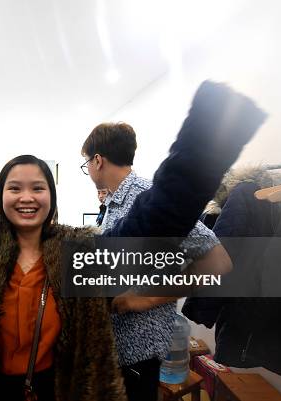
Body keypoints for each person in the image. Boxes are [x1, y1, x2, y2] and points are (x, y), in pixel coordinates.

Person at [0, 62, 266, 401]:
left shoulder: (78, 256)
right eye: (14, 186)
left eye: (38, 187)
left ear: (51, 198)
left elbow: (158, 220)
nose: (26, 196)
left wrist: (213, 130)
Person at [81, 121, 232, 401]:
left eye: (86, 163)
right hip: (117, 351)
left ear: (98, 160)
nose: (87, 169)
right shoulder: (115, 203)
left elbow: (218, 261)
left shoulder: (146, 197)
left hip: (138, 354)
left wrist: (144, 298)